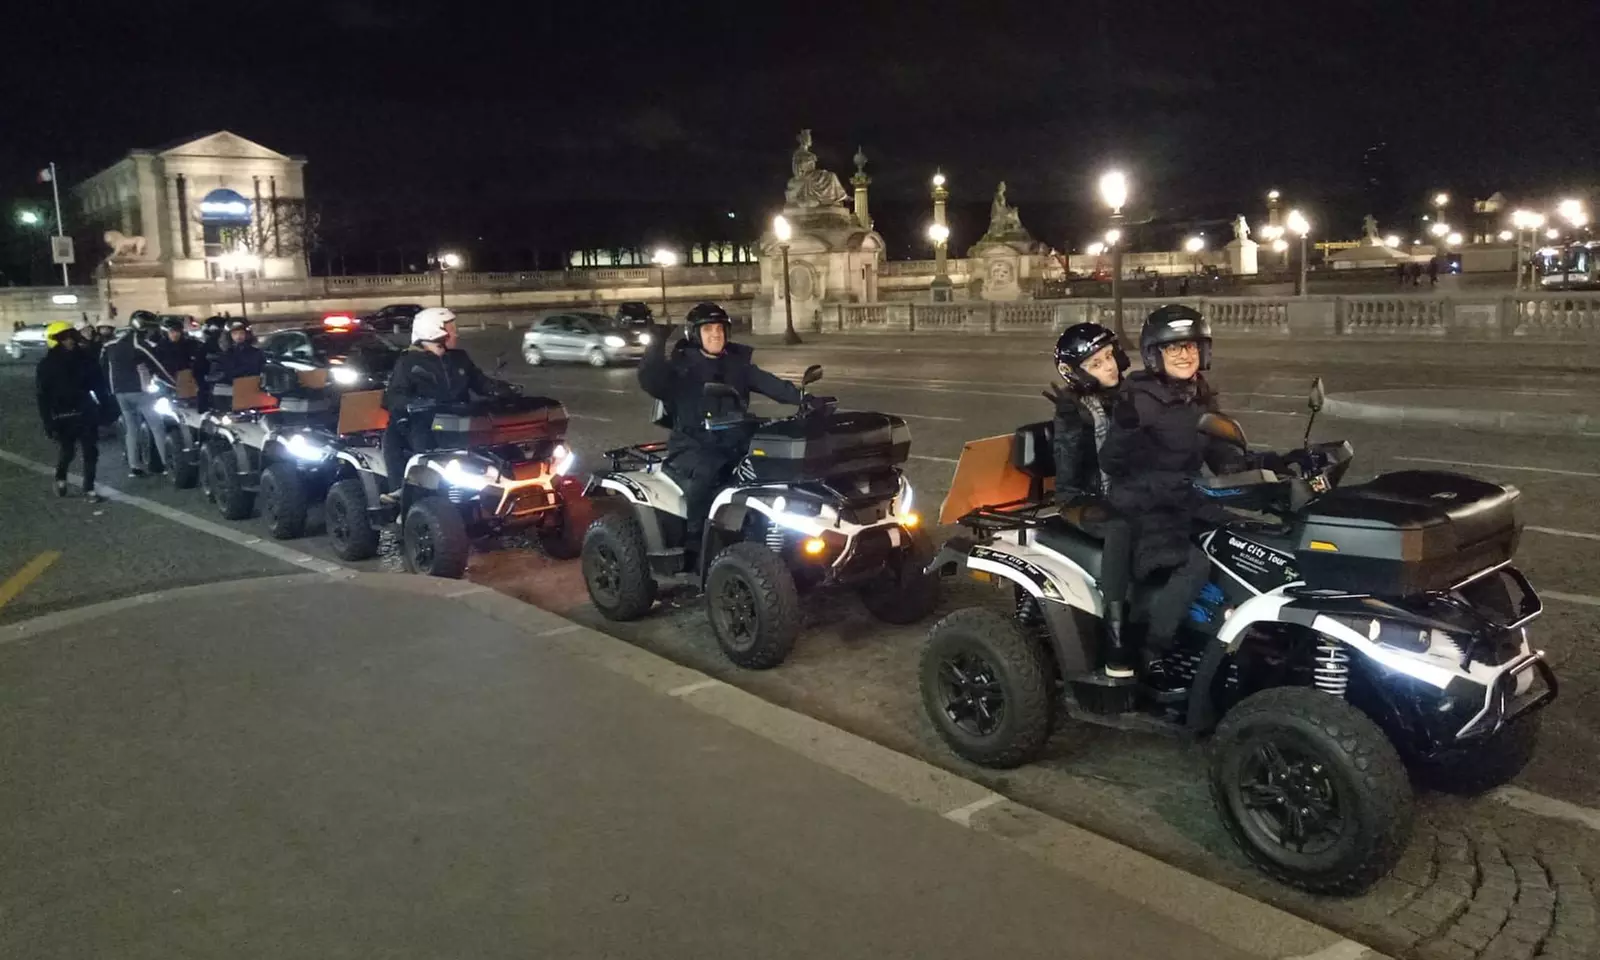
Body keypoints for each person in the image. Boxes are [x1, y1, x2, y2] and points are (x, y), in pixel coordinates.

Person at [1100, 304, 1264, 691]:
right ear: (1155, 354)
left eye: (1190, 346)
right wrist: (1122, 430)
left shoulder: (1199, 397)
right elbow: (1112, 462)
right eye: (1173, 348)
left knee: (1246, 540)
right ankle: (1154, 651)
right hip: (1143, 506)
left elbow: (1225, 458)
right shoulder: (1137, 398)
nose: (1184, 354)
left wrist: (1276, 464)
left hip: (1187, 498)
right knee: (1192, 564)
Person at [638, 301, 803, 565]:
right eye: (708, 329)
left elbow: (772, 384)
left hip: (736, 439)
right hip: (692, 445)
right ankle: (696, 543)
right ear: (695, 334)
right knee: (709, 472)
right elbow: (651, 379)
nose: (715, 334)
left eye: (719, 328)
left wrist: (804, 398)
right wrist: (655, 344)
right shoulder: (680, 368)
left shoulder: (737, 364)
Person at [1046, 322, 1135, 679]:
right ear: (1077, 373)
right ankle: (1116, 639)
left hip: (1127, 490)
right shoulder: (1075, 411)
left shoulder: (1128, 395)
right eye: (1096, 363)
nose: (1109, 366)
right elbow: (1071, 472)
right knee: (1121, 527)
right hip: (1082, 497)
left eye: (1109, 356)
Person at [380, 307, 512, 501]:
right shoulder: (408, 362)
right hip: (424, 421)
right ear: (434, 331)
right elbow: (393, 396)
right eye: (450, 328)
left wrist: (502, 389)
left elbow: (481, 383)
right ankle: (402, 492)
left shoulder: (459, 358)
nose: (455, 333)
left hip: (460, 419)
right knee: (395, 438)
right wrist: (416, 404)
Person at [35, 322, 111, 501]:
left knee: (90, 451)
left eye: (71, 337)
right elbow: (42, 396)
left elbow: (99, 385)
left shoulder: (85, 359)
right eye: (65, 338)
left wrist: (106, 407)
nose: (69, 341)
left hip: (85, 410)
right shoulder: (47, 365)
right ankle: (61, 478)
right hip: (62, 414)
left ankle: (89, 488)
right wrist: (48, 421)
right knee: (68, 451)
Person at [100, 312, 163, 477]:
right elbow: (159, 366)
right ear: (142, 327)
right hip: (139, 391)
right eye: (150, 328)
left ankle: (134, 466)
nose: (152, 331)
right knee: (157, 426)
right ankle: (166, 464)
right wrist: (174, 384)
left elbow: (103, 365)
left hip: (119, 392)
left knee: (131, 429)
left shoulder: (111, 343)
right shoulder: (139, 344)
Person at [209, 319, 266, 383]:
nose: (238, 336)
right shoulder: (223, 356)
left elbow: (263, 372)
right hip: (230, 390)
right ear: (229, 336)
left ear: (247, 335)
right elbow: (215, 376)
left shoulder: (257, 353)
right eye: (234, 333)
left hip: (252, 387)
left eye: (242, 333)